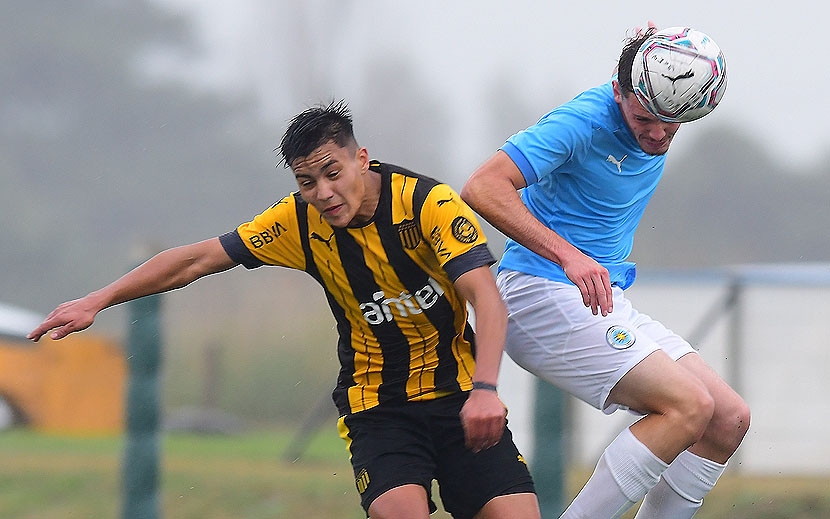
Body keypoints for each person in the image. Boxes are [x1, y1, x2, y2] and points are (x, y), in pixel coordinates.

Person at [28, 101, 540, 519]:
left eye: (332, 173)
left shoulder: (430, 205)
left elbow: (487, 300)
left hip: (462, 396)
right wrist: (97, 299)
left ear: (361, 158)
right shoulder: (297, 223)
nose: (324, 193)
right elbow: (195, 259)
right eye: (307, 182)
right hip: (378, 408)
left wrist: (486, 390)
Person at [460, 26, 750, 519]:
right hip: (539, 293)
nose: (657, 134)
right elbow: (482, 186)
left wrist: (647, 43)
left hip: (602, 295)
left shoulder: (651, 85)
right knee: (687, 407)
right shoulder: (583, 121)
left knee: (726, 418)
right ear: (619, 92)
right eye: (643, 118)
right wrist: (567, 255)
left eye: (672, 123)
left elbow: (649, 71)